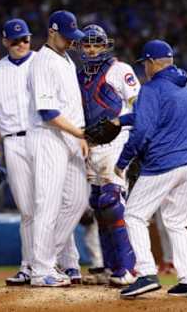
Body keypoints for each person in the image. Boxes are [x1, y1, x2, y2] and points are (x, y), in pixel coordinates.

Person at [0, 18, 83, 286]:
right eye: (14, 40)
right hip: (16, 140)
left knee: (57, 201)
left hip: (50, 133)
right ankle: (31, 265)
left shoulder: (47, 60)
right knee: (30, 208)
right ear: (5, 41)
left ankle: (65, 260)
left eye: (24, 38)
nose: (20, 44)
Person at [115, 40, 187, 298]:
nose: (145, 70)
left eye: (145, 64)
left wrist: (123, 161)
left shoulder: (152, 88)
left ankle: (146, 273)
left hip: (163, 163)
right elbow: (160, 114)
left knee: (133, 215)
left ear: (151, 62)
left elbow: (142, 130)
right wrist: (120, 119)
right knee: (177, 223)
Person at [26, 10, 89, 287]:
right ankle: (41, 270)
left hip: (71, 138)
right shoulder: (42, 61)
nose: (71, 40)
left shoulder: (66, 59)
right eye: (66, 35)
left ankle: (47, 258)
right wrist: (80, 133)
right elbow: (47, 111)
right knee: (47, 204)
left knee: (77, 200)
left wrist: (79, 137)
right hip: (49, 136)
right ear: (52, 31)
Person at [77, 24, 139, 286]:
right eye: (87, 45)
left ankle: (129, 269)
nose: (92, 50)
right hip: (91, 146)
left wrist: (119, 123)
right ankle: (108, 268)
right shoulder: (78, 75)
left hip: (117, 143)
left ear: (105, 45)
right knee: (98, 206)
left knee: (112, 202)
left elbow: (141, 107)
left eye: (96, 44)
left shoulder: (120, 70)